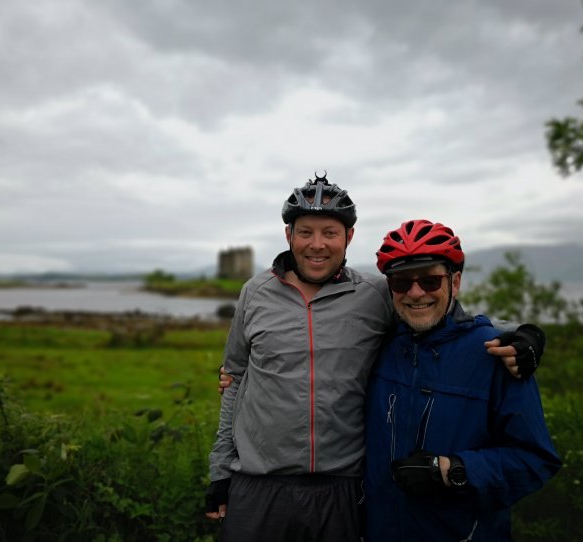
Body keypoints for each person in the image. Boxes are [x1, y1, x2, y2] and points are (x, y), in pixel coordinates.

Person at [206, 175, 544, 541]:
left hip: (341, 486)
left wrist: (524, 333)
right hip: (258, 483)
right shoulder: (255, 293)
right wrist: (220, 470)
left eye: (330, 233)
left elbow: (444, 317)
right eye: (305, 232)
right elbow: (234, 379)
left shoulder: (374, 293)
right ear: (289, 235)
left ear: (349, 237)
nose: (317, 244)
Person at [364, 219, 561, 541]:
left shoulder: (495, 354)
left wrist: (450, 470)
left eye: (430, 280)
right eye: (401, 282)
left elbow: (534, 460)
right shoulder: (379, 346)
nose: (415, 293)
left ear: (455, 282)